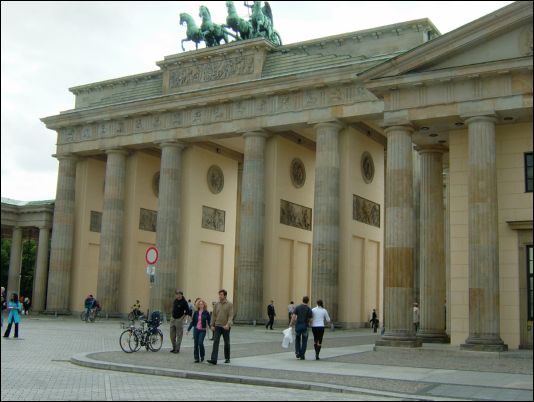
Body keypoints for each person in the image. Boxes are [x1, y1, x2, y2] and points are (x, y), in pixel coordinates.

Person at [207, 289, 234, 365]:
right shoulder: (216, 304)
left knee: (227, 342)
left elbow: (230, 315)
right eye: (219, 294)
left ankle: (227, 358)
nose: (220, 296)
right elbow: (213, 315)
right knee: (215, 342)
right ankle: (214, 359)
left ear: (225, 295)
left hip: (225, 326)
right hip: (217, 326)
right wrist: (212, 325)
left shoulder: (229, 304)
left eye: (221, 294)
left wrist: (228, 324)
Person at [290, 296, 313, 360]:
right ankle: (302, 354)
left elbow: (293, 317)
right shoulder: (309, 309)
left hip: (298, 326)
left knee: (297, 339)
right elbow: (311, 319)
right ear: (308, 301)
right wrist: (310, 324)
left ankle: (297, 352)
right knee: (304, 341)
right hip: (305, 327)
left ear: (302, 300)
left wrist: (291, 324)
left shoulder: (297, 307)